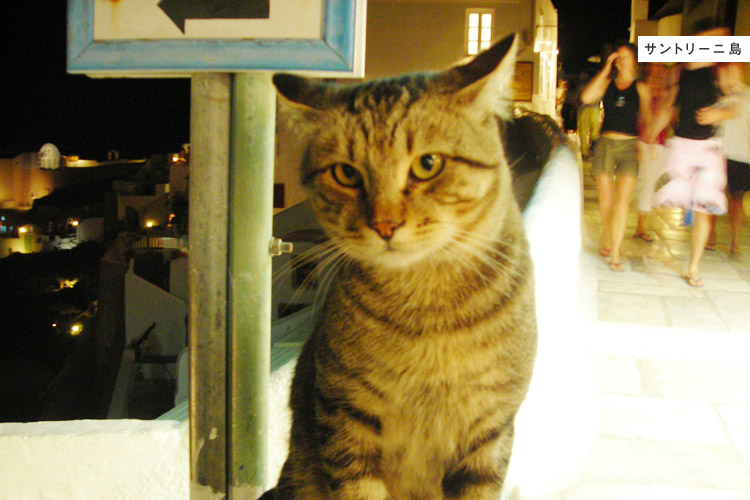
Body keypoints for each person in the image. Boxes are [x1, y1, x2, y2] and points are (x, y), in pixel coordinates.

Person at [651, 24, 732, 287]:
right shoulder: (679, 71)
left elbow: (736, 105)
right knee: (673, 193)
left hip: (708, 147)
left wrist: (720, 113)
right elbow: (668, 107)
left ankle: (694, 266)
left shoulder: (721, 71)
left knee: (703, 209)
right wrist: (650, 135)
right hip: (682, 145)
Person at [580, 42, 652, 271]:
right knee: (605, 200)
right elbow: (586, 97)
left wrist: (646, 145)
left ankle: (616, 253)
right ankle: (607, 235)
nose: (620, 60)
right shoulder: (607, 83)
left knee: (622, 202)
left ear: (634, 60)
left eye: (624, 56)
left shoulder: (641, 88)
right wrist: (605, 69)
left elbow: (647, 120)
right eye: (617, 57)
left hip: (629, 146)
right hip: (605, 144)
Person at [633, 62, 671, 242]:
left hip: (655, 142)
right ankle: (639, 226)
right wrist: (650, 137)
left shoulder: (665, 92)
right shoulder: (644, 89)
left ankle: (640, 225)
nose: (656, 70)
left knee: (647, 183)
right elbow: (644, 115)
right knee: (645, 183)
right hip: (645, 140)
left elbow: (667, 116)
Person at [714, 62, 750, 255]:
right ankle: (710, 236)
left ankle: (734, 243)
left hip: (740, 154)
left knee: (736, 200)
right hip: (718, 153)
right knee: (714, 195)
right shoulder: (720, 96)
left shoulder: (748, 96)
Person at [577, 70, 602, 159]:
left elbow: (578, 97)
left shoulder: (583, 85)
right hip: (595, 109)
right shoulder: (599, 85)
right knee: (594, 132)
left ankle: (584, 152)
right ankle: (594, 150)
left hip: (583, 108)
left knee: (583, 131)